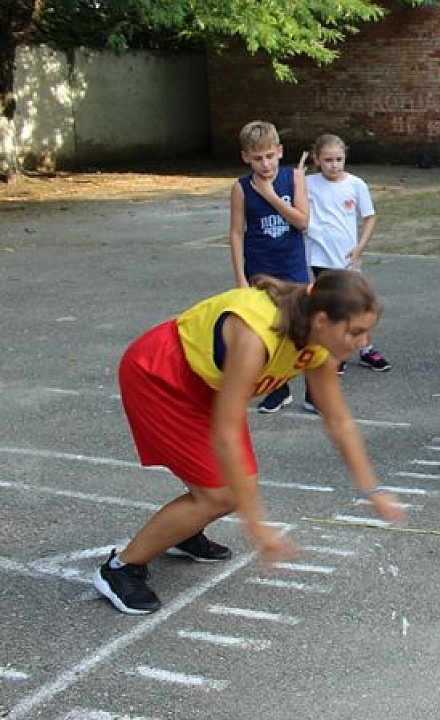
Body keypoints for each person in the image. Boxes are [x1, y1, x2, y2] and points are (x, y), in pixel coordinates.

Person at [94, 271, 405, 614]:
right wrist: (257, 527)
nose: (363, 343)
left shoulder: (319, 344)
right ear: (321, 319)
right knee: (222, 494)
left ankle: (183, 530)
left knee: (237, 488)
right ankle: (120, 568)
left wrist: (372, 490)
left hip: (208, 384)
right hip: (162, 376)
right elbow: (225, 433)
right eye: (356, 332)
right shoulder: (256, 336)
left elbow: (339, 420)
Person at [229, 120, 310, 414]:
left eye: (269, 156)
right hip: (260, 271)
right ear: (246, 158)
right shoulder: (240, 188)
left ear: (279, 151)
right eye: (257, 158)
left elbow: (302, 221)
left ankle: (314, 392)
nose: (264, 165)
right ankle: (278, 389)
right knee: (266, 333)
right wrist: (240, 277)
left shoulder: (294, 177)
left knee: (303, 330)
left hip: (293, 269)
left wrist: (270, 196)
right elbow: (237, 233)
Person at [303, 133, 390, 408]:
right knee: (332, 308)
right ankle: (336, 351)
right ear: (317, 160)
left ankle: (364, 347)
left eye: (339, 159)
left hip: (348, 257)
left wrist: (359, 248)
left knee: (357, 304)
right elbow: (300, 212)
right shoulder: (308, 184)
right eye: (328, 160)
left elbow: (370, 217)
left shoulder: (356, 184)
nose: (334, 165)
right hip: (320, 255)